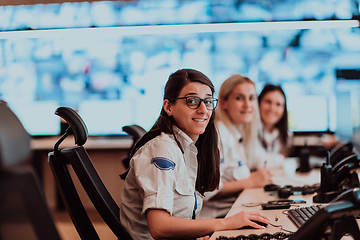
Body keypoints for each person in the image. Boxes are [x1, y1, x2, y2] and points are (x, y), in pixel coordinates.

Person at [120, 69, 270, 240]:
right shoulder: (162, 149)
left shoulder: (189, 149)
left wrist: (200, 232)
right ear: (169, 107)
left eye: (207, 101)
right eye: (192, 101)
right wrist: (224, 223)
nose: (203, 109)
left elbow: (185, 211)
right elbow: (159, 227)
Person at [200, 74, 276, 219]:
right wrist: (250, 181)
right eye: (239, 98)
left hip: (233, 212)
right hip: (216, 218)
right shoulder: (219, 134)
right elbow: (207, 191)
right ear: (223, 102)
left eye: (252, 98)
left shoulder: (236, 133)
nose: (247, 105)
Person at [258, 84, 293, 158]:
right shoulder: (248, 132)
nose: (272, 108)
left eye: (278, 104)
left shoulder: (286, 136)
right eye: (268, 102)